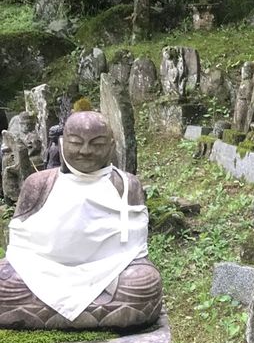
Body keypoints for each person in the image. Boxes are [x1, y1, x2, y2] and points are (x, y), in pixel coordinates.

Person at [0, 111, 160, 329]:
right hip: (41, 268)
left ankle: (47, 315)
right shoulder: (38, 183)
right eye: (76, 143)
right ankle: (100, 314)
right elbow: (19, 241)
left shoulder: (127, 185)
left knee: (143, 283)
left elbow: (136, 248)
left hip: (110, 271)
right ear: (63, 143)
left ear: (112, 146)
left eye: (97, 144)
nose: (85, 151)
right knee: (4, 279)